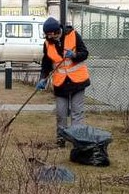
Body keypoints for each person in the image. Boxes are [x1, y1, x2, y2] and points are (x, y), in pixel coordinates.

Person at [36, 17, 91, 147]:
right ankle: (61, 140)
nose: (49, 37)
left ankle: (77, 141)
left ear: (57, 31)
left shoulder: (73, 35)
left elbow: (85, 53)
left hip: (78, 81)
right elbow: (46, 63)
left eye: (50, 34)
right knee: (61, 113)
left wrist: (74, 55)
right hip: (60, 83)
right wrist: (42, 78)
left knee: (77, 113)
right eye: (47, 35)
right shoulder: (48, 43)